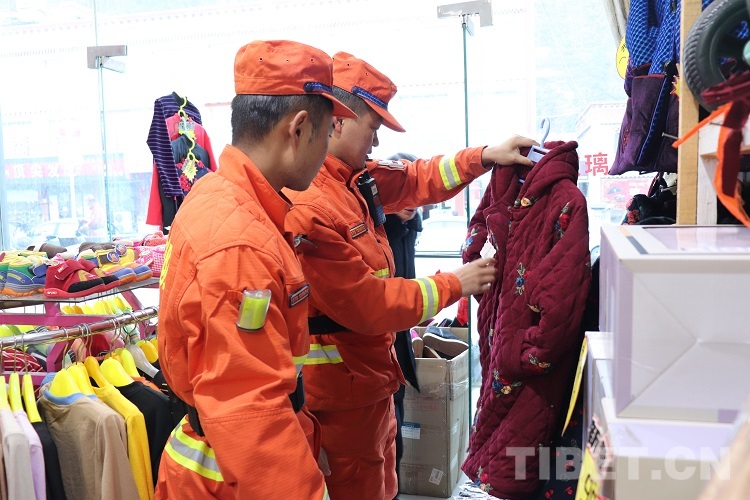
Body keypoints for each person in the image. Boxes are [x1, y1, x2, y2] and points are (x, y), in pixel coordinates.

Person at [284, 51, 536, 499]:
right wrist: (456, 283)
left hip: (370, 382)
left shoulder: (353, 180)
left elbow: (419, 178)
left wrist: (485, 156)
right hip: (339, 396)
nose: (377, 141)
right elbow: (368, 303)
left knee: (384, 482)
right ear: (337, 122)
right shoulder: (312, 204)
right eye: (373, 127)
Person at [155, 39, 356, 498]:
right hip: (229, 480)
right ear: (299, 129)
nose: (327, 151)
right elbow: (252, 414)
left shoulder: (218, 196)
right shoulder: (240, 242)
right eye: (327, 134)